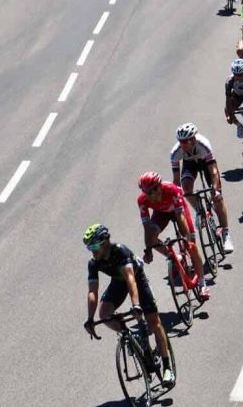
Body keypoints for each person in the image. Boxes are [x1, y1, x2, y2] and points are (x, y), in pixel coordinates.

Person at [82, 224, 175, 387]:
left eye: (95, 246)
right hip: (118, 283)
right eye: (89, 247)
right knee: (104, 315)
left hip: (137, 281)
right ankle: (134, 337)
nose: (92, 250)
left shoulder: (121, 251)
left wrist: (136, 306)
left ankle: (168, 367)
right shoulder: (93, 263)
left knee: (154, 321)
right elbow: (92, 292)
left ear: (105, 242)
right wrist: (90, 319)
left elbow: (131, 279)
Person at [137, 171, 211, 300]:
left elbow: (180, 216)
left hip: (179, 211)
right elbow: (147, 227)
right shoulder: (142, 200)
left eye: (155, 189)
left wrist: (187, 239)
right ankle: (175, 257)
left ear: (160, 186)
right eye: (148, 192)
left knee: (191, 245)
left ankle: (202, 284)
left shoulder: (171, 190)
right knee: (151, 238)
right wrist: (148, 249)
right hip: (161, 214)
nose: (153, 194)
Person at [170, 123, 234, 253]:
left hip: (206, 164)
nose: (183, 144)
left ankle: (226, 233)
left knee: (217, 198)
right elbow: (176, 181)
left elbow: (214, 171)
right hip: (189, 165)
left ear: (193, 139)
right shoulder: (175, 152)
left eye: (185, 141)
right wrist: (176, 196)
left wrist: (216, 190)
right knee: (186, 188)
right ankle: (201, 212)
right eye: (180, 142)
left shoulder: (203, 144)